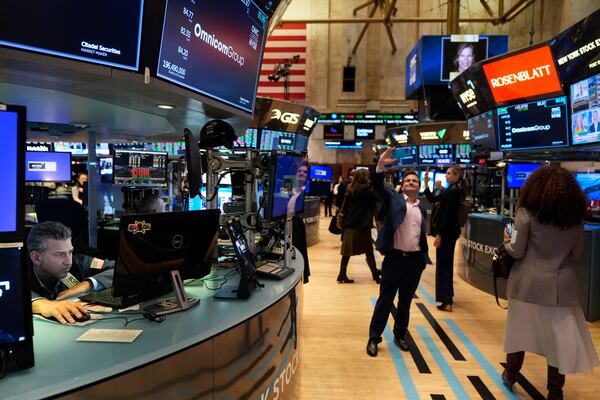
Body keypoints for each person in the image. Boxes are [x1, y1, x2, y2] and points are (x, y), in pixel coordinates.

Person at [501, 166, 599, 399]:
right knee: (558, 344)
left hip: (526, 285)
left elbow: (516, 250)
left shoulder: (526, 213)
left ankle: (511, 374)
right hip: (561, 290)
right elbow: (576, 255)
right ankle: (555, 392)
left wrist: (507, 240)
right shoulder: (576, 220)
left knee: (518, 332)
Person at [367, 147, 431, 357]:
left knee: (405, 302)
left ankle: (400, 334)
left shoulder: (421, 208)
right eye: (408, 181)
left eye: (415, 181)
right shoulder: (393, 198)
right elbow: (377, 187)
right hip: (394, 258)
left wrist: (422, 259)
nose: (411, 183)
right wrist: (380, 166)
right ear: (402, 185)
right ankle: (374, 337)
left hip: (414, 262)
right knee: (385, 300)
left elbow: (420, 234)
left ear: (419, 186)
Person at [27, 221, 112, 324]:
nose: (68, 262)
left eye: (70, 252)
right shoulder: (18, 274)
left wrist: (86, 284)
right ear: (36, 258)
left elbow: (116, 268)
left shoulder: (80, 262)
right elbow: (13, 293)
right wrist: (40, 304)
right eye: (59, 254)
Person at [423, 166, 465, 312]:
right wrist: (426, 184)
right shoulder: (451, 189)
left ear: (456, 175)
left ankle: (446, 300)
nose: (445, 176)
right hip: (449, 233)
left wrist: (439, 235)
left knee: (443, 266)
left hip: (447, 233)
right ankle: (448, 297)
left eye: (448, 173)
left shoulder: (454, 191)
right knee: (444, 265)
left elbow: (447, 216)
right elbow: (433, 198)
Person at [336, 169, 380, 284]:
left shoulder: (350, 188)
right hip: (362, 225)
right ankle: (375, 275)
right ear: (364, 177)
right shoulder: (368, 190)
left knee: (346, 251)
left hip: (349, 224)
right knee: (369, 251)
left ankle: (341, 274)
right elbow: (377, 200)